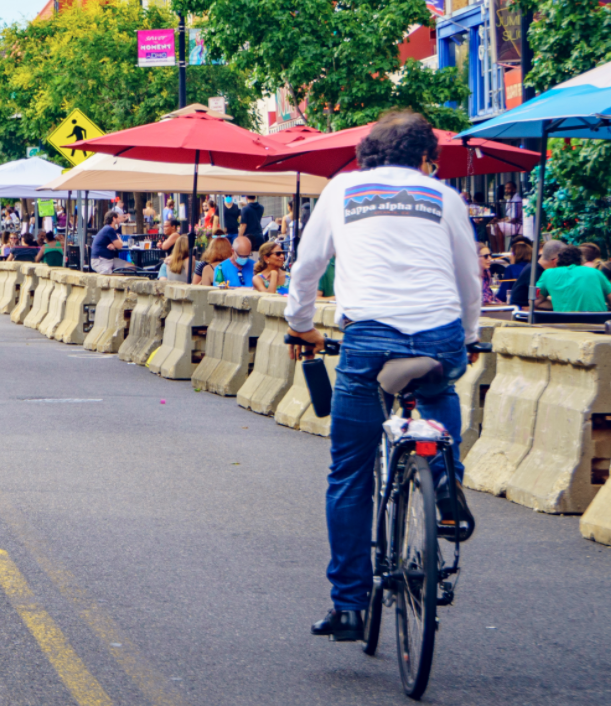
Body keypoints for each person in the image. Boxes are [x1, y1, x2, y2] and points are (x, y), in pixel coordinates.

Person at [283, 110, 481, 641]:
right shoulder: (443, 196)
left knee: (350, 470)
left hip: (368, 338)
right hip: (438, 331)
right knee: (440, 387)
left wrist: (301, 326)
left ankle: (348, 603)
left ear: (368, 153)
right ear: (424, 158)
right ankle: (445, 479)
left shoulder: (342, 190)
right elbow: (468, 277)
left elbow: (305, 269)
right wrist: (469, 336)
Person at [535, 245, 611, 312]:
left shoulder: (548, 273)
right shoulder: (595, 272)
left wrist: (560, 303)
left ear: (557, 260)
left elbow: (536, 301)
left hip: (565, 323)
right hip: (597, 322)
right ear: (581, 260)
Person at [509, 239, 563, 309]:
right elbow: (536, 301)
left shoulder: (534, 268)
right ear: (555, 261)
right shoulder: (535, 272)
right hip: (522, 314)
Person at [495, 238, 532, 302]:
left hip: (515, 305)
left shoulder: (511, 268)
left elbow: (502, 295)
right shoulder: (534, 268)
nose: (510, 256)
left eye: (511, 253)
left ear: (517, 255)